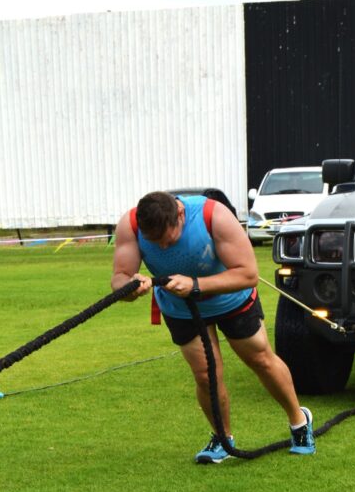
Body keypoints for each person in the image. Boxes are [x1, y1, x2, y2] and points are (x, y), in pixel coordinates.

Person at [111, 191, 315, 463]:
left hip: (231, 300)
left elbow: (248, 274)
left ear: (180, 215)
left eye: (166, 237)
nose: (161, 247)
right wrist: (131, 286)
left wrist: (195, 285)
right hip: (180, 309)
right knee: (206, 375)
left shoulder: (214, 215)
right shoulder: (131, 225)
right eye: (153, 241)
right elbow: (119, 279)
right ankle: (222, 438)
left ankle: (299, 423)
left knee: (260, 360)